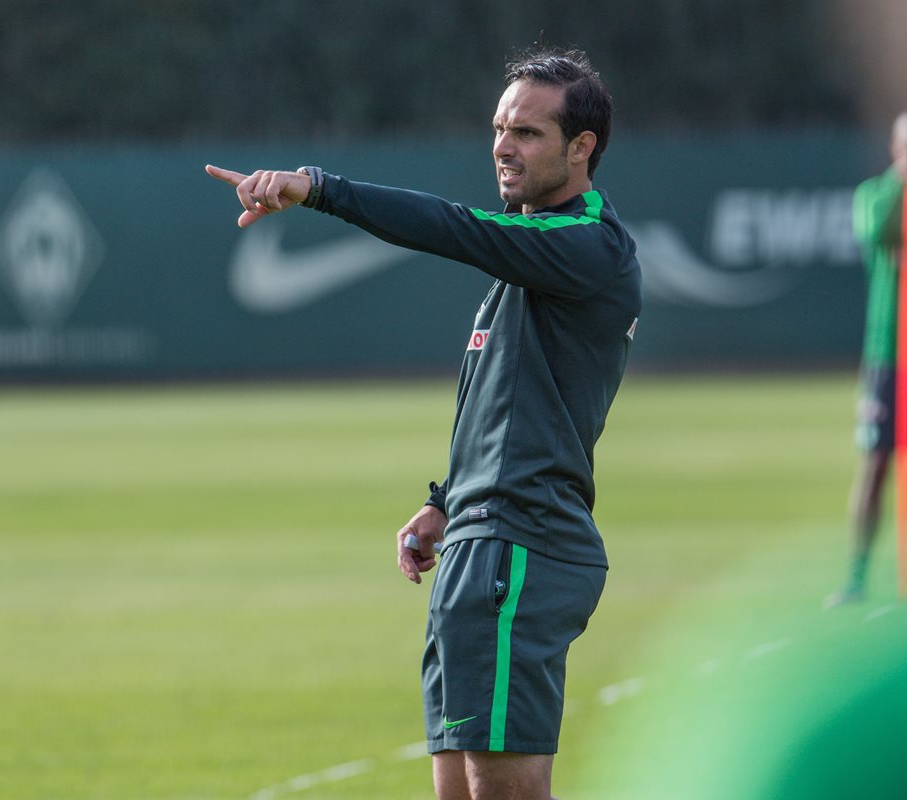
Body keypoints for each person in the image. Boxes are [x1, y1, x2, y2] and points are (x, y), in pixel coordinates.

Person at [206, 47, 640, 800]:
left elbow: (450, 227)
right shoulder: (534, 248)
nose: (504, 146)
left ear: (582, 149)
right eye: (500, 127)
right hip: (481, 537)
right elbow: (504, 396)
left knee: (502, 790)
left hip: (521, 544)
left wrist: (319, 189)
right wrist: (446, 499)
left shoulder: (586, 245)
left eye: (529, 133)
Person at [826, 113, 907, 608]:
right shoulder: (876, 195)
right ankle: (857, 577)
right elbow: (878, 231)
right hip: (888, 354)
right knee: (876, 462)